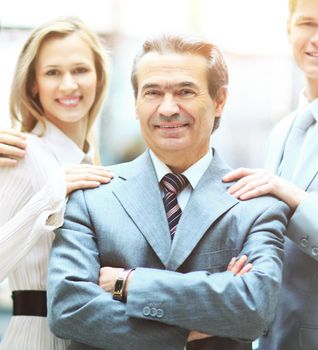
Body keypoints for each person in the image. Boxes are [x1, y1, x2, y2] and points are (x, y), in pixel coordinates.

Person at [47, 34, 289, 350]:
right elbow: (70, 310)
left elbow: (253, 311)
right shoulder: (91, 196)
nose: (168, 108)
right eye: (153, 92)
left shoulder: (256, 204)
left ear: (219, 101)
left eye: (185, 91)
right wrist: (185, 332)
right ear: (136, 103)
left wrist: (128, 283)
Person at [0, 17, 112, 350]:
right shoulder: (23, 155)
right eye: (52, 73)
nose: (68, 85)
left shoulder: (92, 165)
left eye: (79, 70)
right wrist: (51, 195)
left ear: (98, 77)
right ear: (33, 84)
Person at [223, 0, 318, 349]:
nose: (315, 39)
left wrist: (291, 196)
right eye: (307, 23)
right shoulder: (281, 131)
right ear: (289, 28)